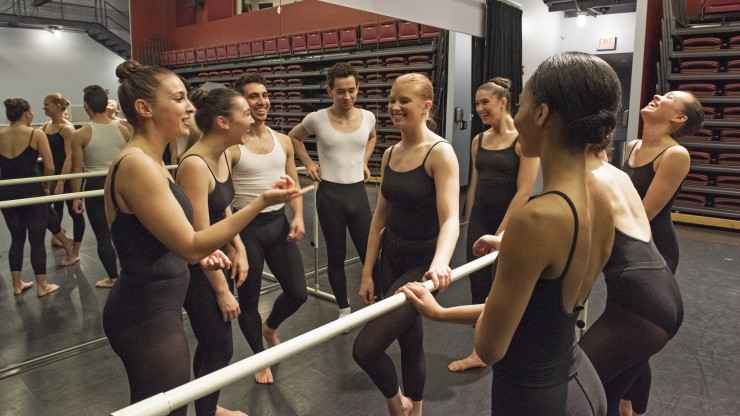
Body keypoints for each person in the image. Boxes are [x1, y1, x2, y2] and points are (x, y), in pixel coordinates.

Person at [400, 52, 620, 415]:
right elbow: (543, 309)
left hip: (534, 396)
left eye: (520, 105)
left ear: (542, 114)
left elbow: (489, 348)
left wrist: (440, 313)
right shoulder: (598, 193)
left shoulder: (535, 219)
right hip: (579, 379)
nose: (516, 116)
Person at [102, 59, 310, 415]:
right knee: (167, 409)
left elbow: (173, 239)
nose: (190, 107)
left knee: (167, 405)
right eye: (180, 98)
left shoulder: (150, 161)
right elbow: (190, 242)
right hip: (144, 314)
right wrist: (260, 201)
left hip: (159, 305)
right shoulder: (137, 163)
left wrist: (202, 254)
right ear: (144, 108)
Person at [352, 73, 460, 416]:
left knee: (365, 348)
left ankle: (398, 403)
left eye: (404, 101)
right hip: (391, 260)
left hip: (421, 266)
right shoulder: (389, 153)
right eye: (391, 100)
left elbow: (451, 220)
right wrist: (367, 271)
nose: (394, 107)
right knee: (410, 341)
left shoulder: (440, 153)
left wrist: (440, 264)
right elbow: (379, 219)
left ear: (426, 106)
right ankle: (417, 412)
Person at [575, 137, 684, 416]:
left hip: (640, 309)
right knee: (606, 396)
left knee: (573, 387)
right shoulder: (618, 175)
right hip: (664, 294)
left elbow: (585, 249)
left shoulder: (588, 178)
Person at [619, 91, 703, 416]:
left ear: (679, 119)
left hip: (655, 252)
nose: (657, 95)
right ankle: (626, 403)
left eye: (668, 97)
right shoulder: (633, 147)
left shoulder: (675, 155)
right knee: (628, 335)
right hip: (626, 245)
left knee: (637, 339)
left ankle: (634, 410)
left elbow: (644, 211)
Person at [451, 77, 539, 372]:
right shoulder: (479, 140)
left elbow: (524, 191)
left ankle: (502, 344)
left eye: (484, 102)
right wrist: (469, 221)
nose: (479, 109)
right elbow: (474, 184)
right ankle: (481, 349)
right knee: (478, 284)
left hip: (509, 223)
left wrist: (500, 231)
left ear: (503, 102)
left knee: (503, 287)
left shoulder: (522, 141)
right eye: (476, 103)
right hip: (480, 219)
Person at [176, 87, 249, 416]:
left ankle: (209, 405)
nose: (252, 120)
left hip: (219, 260)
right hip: (201, 270)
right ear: (222, 122)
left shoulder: (224, 154)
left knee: (211, 344)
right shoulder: (194, 165)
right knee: (221, 348)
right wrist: (221, 291)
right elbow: (200, 237)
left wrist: (239, 246)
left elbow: (224, 210)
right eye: (245, 114)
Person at [231, 73, 308, 384]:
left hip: (278, 224)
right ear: (240, 103)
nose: (261, 101)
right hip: (246, 229)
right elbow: (223, 199)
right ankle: (258, 359)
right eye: (253, 96)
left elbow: (293, 183)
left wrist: (299, 216)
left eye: (264, 95)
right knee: (248, 301)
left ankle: (270, 327)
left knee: (298, 293)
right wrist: (234, 243)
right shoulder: (233, 146)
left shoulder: (284, 140)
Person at [289, 62, 377, 320]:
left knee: (369, 252)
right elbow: (294, 138)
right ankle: (344, 309)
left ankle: (376, 304)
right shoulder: (316, 118)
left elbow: (371, 137)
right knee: (336, 255)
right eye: (341, 91)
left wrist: (363, 161)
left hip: (358, 195)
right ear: (330, 91)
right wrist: (308, 163)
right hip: (330, 197)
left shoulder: (368, 117)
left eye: (351, 90)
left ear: (358, 88)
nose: (347, 96)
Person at [70, 85, 131, 288]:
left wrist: (76, 197)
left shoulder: (81, 134)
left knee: (103, 233)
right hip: (122, 182)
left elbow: (77, 169)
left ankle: (113, 277)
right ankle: (131, 273)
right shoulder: (123, 129)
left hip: (96, 186)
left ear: (86, 106)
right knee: (127, 230)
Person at [0, 99, 61, 297]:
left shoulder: (0, 135)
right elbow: (50, 167)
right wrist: (45, 187)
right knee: (37, 240)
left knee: (16, 239)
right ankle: (42, 286)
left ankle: (17, 285)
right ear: (26, 113)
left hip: (7, 193)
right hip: (32, 192)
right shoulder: (36, 133)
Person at [39, 93, 81, 265]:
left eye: (46, 104)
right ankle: (58, 236)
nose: (44, 107)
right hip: (50, 174)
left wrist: (61, 181)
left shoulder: (67, 129)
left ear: (57, 106)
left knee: (73, 211)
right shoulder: (44, 127)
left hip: (65, 175)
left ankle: (75, 250)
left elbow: (69, 157)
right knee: (50, 208)